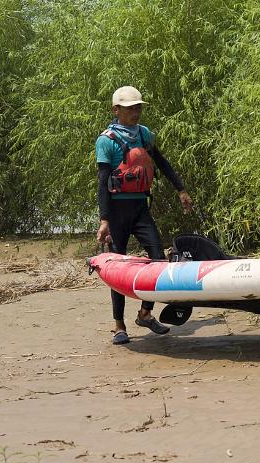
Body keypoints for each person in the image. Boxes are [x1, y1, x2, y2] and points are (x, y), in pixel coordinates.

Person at [95, 85, 194, 345]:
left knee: (158, 260)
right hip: (117, 212)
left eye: (138, 107)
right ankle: (119, 325)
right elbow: (103, 182)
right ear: (116, 110)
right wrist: (104, 220)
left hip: (140, 208)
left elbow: (161, 162)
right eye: (130, 108)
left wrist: (181, 190)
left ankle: (145, 313)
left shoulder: (145, 135)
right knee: (117, 267)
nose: (135, 112)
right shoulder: (106, 140)